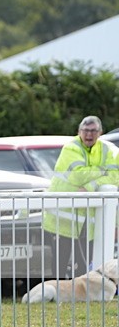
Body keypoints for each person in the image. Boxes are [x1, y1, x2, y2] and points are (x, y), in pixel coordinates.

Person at [42, 115, 117, 278]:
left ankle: (81, 297)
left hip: (86, 222)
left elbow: (115, 176)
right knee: (60, 262)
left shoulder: (108, 150)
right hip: (61, 219)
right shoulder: (71, 148)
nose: (89, 134)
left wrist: (90, 185)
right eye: (86, 130)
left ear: (100, 132)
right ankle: (59, 296)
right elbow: (77, 176)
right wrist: (102, 170)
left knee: (83, 263)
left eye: (93, 131)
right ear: (79, 131)